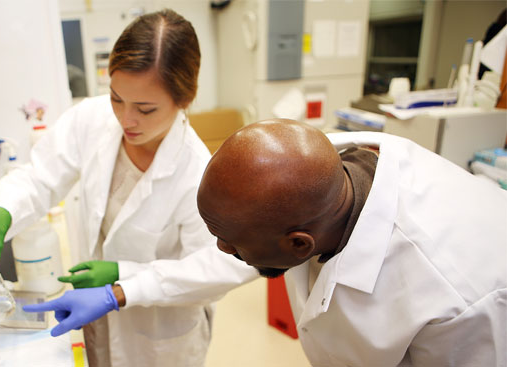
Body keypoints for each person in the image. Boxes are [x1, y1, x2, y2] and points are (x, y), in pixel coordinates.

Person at [0, 9, 256, 367]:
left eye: (145, 109)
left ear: (185, 99)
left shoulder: (198, 171)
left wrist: (124, 280)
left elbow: (220, 267)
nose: (125, 119)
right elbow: (41, 176)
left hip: (158, 338)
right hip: (95, 318)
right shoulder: (92, 118)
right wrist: (4, 208)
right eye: (117, 97)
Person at [197, 119, 507, 366]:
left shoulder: (458, 298)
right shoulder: (311, 189)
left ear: (300, 246)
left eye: (230, 242)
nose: (222, 248)